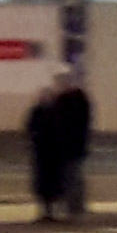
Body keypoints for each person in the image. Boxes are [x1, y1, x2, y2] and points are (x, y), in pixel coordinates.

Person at [52, 66, 93, 218]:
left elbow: (70, 123)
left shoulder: (72, 100)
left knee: (72, 176)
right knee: (72, 176)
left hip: (71, 144)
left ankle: (74, 206)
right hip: (70, 145)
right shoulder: (74, 99)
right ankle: (74, 205)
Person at [24, 87, 62, 223]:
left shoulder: (48, 112)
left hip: (48, 154)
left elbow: (31, 128)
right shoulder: (46, 112)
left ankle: (49, 212)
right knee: (45, 185)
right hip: (45, 153)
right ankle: (47, 211)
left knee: (48, 185)